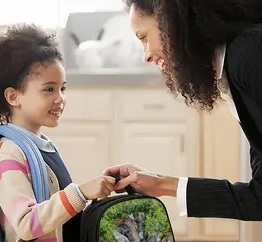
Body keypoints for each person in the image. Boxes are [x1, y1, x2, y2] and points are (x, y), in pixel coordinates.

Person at [0, 24, 115, 242]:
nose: (60, 99)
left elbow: (58, 208)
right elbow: (26, 223)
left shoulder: (41, 145)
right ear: (13, 96)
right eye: (48, 89)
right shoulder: (9, 154)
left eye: (62, 88)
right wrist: (82, 192)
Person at [104, 0, 262, 221]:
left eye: (144, 37)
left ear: (173, 23)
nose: (146, 55)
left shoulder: (248, 54)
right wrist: (160, 184)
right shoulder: (236, 59)